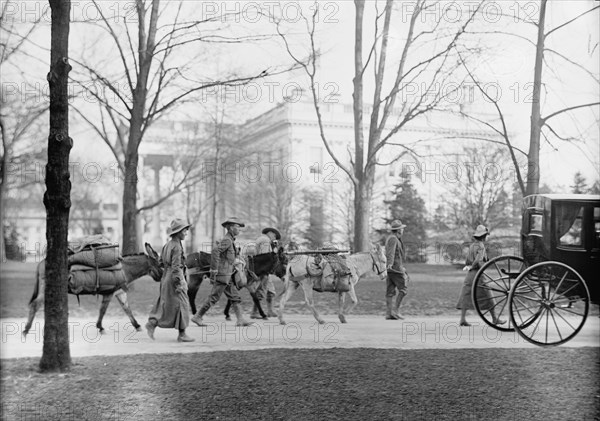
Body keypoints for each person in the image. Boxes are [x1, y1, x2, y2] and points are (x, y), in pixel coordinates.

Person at [191, 217, 253, 327]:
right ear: (231, 228)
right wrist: (214, 269)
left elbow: (226, 258)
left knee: (235, 296)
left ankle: (240, 320)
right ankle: (198, 316)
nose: (239, 229)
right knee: (214, 297)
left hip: (228, 274)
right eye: (237, 227)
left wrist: (236, 260)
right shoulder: (227, 240)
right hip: (223, 275)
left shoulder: (230, 240)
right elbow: (215, 251)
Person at [146, 219, 195, 342]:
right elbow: (176, 267)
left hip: (166, 278)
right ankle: (182, 334)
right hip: (174, 279)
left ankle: (152, 323)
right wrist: (180, 283)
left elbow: (161, 262)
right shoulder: (177, 247)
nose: (186, 233)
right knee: (182, 304)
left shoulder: (167, 245)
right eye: (184, 230)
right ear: (178, 232)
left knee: (167, 304)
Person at [456, 224, 505, 326]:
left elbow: (468, 260)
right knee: (488, 295)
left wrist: (469, 266)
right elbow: (478, 260)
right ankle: (495, 318)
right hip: (478, 274)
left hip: (470, 275)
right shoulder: (481, 246)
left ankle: (462, 319)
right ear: (484, 236)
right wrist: (476, 265)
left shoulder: (472, 246)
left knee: (466, 295)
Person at [249, 227, 281, 318]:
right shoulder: (265, 240)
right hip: (262, 270)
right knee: (261, 290)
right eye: (274, 236)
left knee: (271, 291)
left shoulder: (263, 240)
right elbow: (265, 257)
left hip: (261, 269)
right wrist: (275, 252)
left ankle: (270, 311)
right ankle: (254, 312)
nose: (274, 238)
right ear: (270, 233)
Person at [385, 219, 409, 320]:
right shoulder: (393, 239)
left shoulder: (393, 238)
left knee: (390, 291)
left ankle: (389, 313)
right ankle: (395, 312)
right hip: (395, 269)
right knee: (403, 290)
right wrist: (390, 264)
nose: (403, 230)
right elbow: (391, 252)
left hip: (392, 269)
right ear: (399, 230)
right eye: (402, 229)